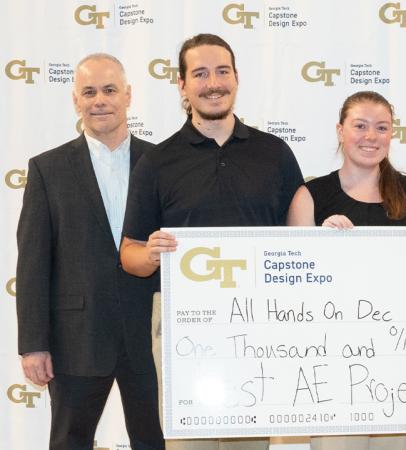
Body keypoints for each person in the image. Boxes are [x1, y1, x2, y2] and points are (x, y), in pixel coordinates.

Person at [119, 34, 303, 450]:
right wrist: (148, 254)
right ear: (182, 85)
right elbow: (129, 255)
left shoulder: (275, 153)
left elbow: (300, 242)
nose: (213, 83)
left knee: (250, 444)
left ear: (236, 78)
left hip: (260, 325)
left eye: (222, 71)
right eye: (200, 74)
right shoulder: (157, 162)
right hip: (185, 327)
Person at [16, 53, 164, 450]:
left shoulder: (163, 163)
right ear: (75, 101)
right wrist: (33, 342)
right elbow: (32, 263)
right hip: (75, 336)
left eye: (110, 90)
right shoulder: (48, 169)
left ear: (129, 96)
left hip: (149, 334)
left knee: (156, 442)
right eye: (89, 91)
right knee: (69, 442)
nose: (100, 100)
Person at [287, 90, 406, 450]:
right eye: (360, 126)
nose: (371, 136)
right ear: (340, 130)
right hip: (331, 366)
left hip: (398, 365)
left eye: (381, 127)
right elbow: (291, 288)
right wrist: (320, 246)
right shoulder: (312, 195)